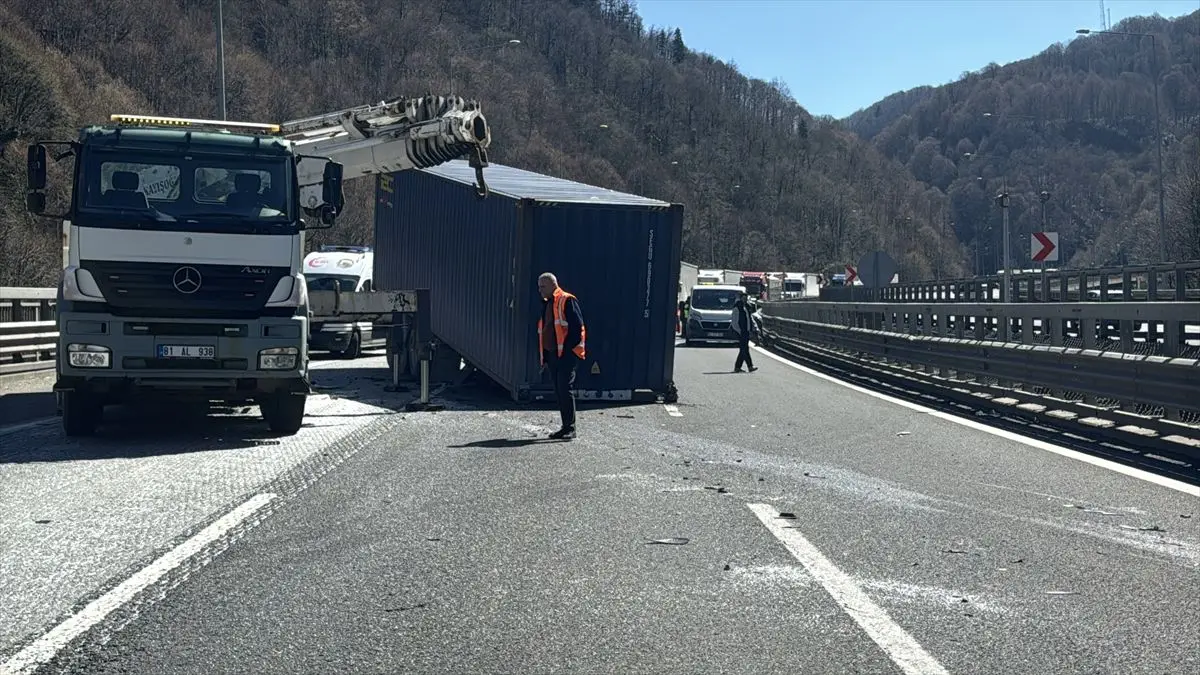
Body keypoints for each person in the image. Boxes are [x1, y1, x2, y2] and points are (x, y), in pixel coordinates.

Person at [537, 272, 587, 440]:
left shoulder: (566, 300)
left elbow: (577, 328)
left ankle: (570, 428)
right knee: (559, 390)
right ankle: (565, 427)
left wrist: (566, 351)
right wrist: (545, 355)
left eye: (543, 286)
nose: (540, 290)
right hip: (553, 354)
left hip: (566, 355)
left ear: (553, 285)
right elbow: (546, 330)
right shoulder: (548, 303)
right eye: (539, 287)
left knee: (565, 389)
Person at [730, 292, 757, 373]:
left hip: (746, 331)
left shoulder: (747, 307)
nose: (745, 300)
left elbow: (750, 318)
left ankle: (737, 367)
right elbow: (734, 322)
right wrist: (739, 331)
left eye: (746, 298)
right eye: (743, 298)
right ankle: (750, 366)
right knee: (745, 349)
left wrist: (752, 329)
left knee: (743, 349)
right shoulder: (737, 308)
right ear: (740, 298)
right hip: (741, 332)